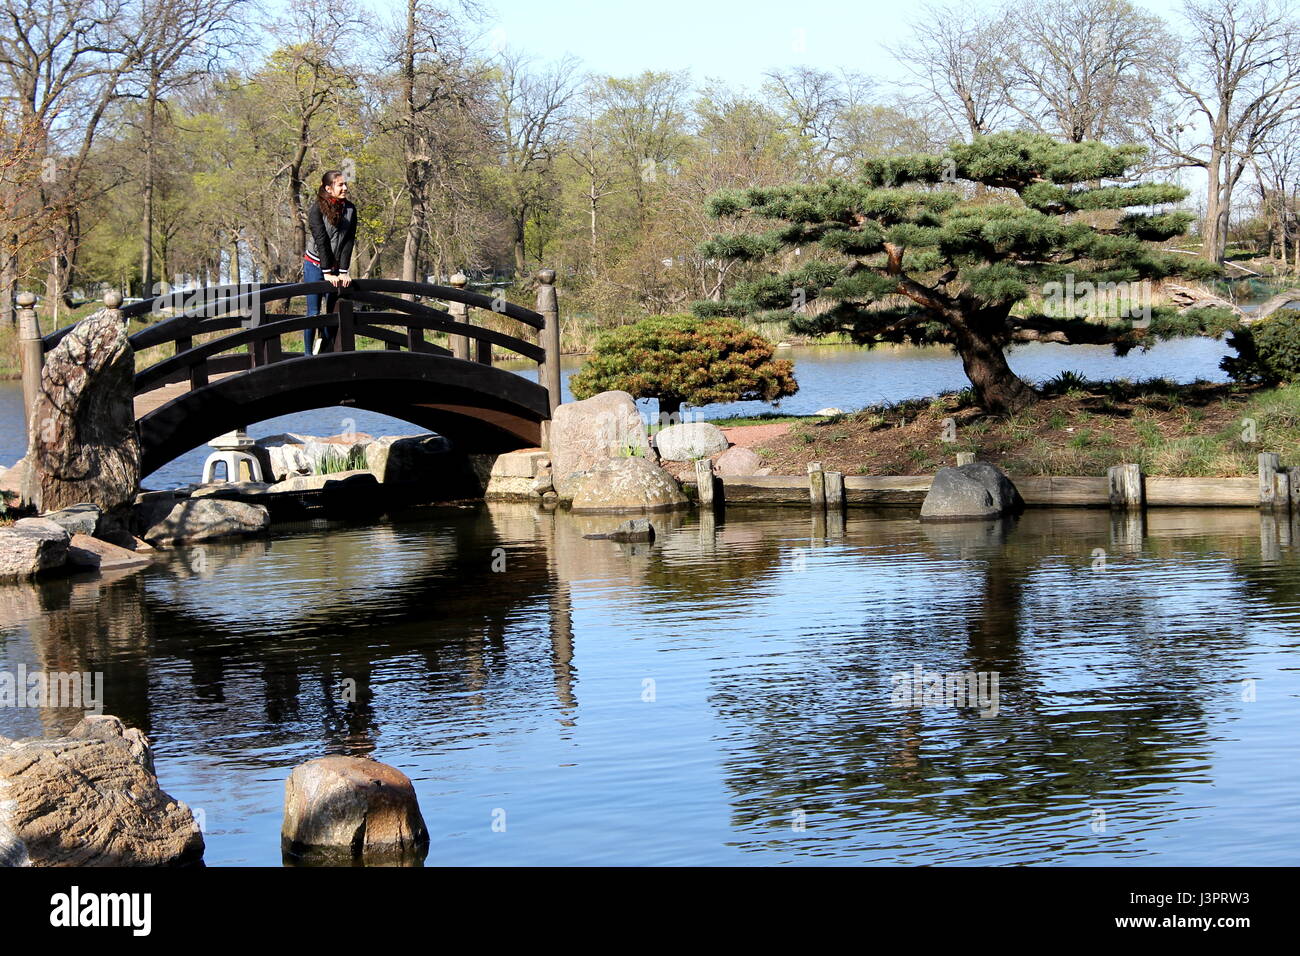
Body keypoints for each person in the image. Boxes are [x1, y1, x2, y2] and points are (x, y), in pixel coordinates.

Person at [303, 169, 357, 354]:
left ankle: (327, 350)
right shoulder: (316, 209)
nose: (345, 187)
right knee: (313, 313)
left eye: (345, 184)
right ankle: (307, 355)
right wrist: (326, 272)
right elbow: (322, 240)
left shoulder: (350, 209)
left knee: (333, 313)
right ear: (328, 188)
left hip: (334, 268)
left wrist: (343, 271)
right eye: (340, 184)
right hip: (315, 265)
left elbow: (349, 241)